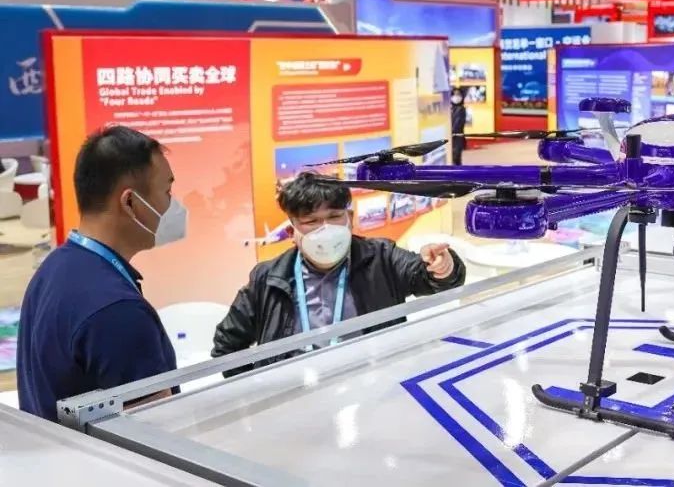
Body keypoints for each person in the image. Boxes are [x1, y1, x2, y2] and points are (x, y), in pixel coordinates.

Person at [211, 172, 466, 376]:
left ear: (350, 218)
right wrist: (261, 395)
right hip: (295, 397)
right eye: (311, 221)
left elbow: (428, 277)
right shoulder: (267, 278)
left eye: (334, 216)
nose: (326, 229)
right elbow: (227, 346)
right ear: (292, 232)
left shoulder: (381, 257)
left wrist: (443, 267)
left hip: (372, 384)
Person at [18, 126, 184, 421]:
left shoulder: (53, 269)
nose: (174, 205)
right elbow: (155, 432)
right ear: (130, 203)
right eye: (167, 192)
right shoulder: (117, 310)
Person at [450, 86, 466, 166]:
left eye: (458, 94)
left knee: (456, 156)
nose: (456, 96)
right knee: (452, 157)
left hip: (457, 136)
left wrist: (451, 131)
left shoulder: (461, 109)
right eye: (454, 94)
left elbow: (459, 123)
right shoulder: (450, 108)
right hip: (450, 136)